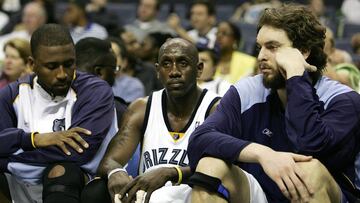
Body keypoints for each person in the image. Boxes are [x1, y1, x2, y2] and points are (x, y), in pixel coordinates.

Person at [187, 4, 360, 203]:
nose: (261, 56)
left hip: (325, 194)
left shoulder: (344, 100)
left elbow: (310, 146)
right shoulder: (247, 90)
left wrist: (296, 75)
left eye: (272, 47)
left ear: (303, 51)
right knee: (210, 166)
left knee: (306, 170)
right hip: (263, 194)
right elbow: (199, 141)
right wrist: (263, 154)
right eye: (260, 47)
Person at [81, 38, 221, 203]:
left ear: (198, 70)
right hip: (147, 198)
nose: (174, 71)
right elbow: (110, 161)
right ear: (157, 70)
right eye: (166, 64)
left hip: (194, 195)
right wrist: (116, 173)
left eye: (183, 63)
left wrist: (170, 173)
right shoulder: (142, 108)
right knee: (97, 190)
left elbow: (222, 167)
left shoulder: (216, 109)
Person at [0, 24, 117, 203]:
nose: (62, 74)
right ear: (32, 64)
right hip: (21, 187)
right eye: (52, 66)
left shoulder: (95, 90)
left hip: (83, 187)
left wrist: (8, 161)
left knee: (61, 171)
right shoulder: (11, 95)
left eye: (69, 64)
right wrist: (33, 139)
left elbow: (77, 153)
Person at [75, 37, 127, 125]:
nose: (115, 74)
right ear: (99, 72)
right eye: (114, 69)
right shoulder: (118, 111)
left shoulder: (53, 100)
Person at [109, 37, 145, 103]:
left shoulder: (133, 86)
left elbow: (127, 112)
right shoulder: (90, 83)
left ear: (124, 62)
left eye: (113, 55)